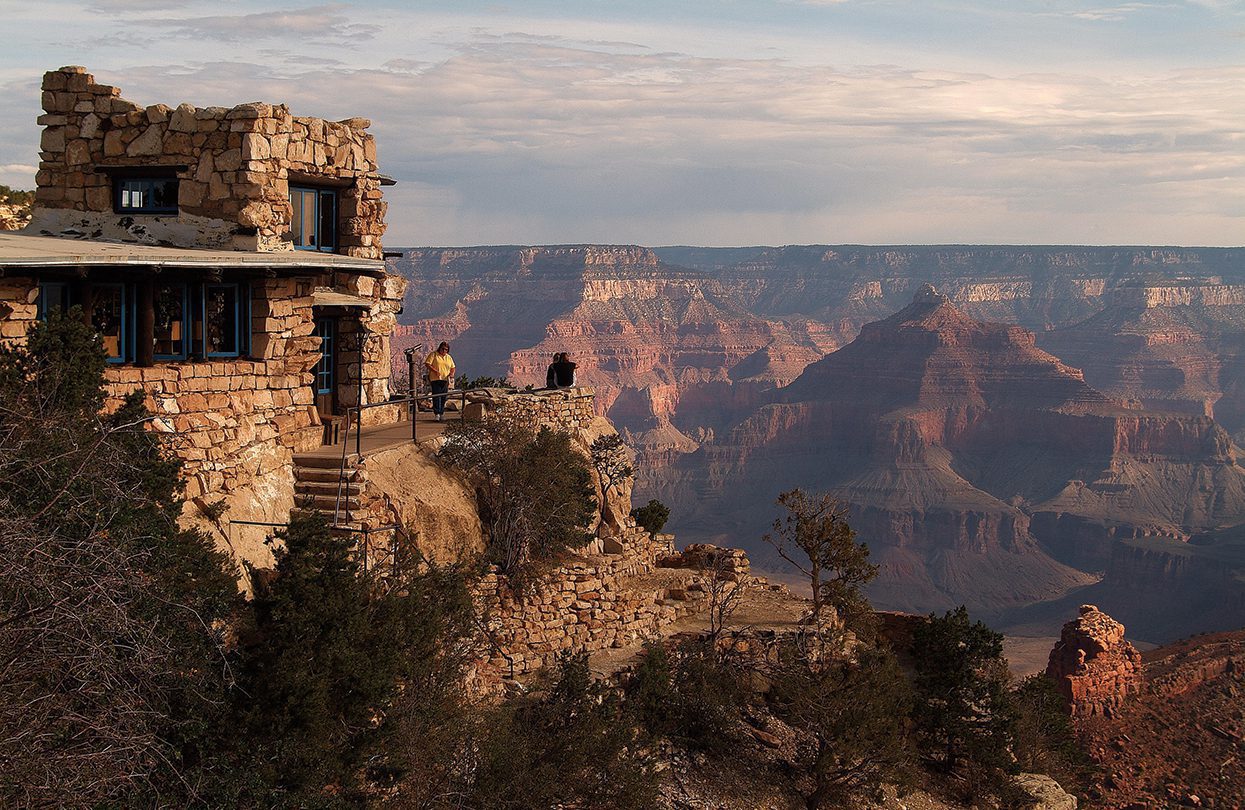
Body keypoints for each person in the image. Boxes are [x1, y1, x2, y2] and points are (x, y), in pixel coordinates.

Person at [424, 341, 455, 421]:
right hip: (435, 379)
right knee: (437, 396)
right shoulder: (433, 355)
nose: (444, 351)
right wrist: (435, 371)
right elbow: (427, 364)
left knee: (444, 397)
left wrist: (451, 373)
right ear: (440, 348)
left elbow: (453, 367)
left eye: (446, 350)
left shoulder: (448, 357)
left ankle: (442, 413)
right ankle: (437, 413)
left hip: (445, 379)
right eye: (443, 349)